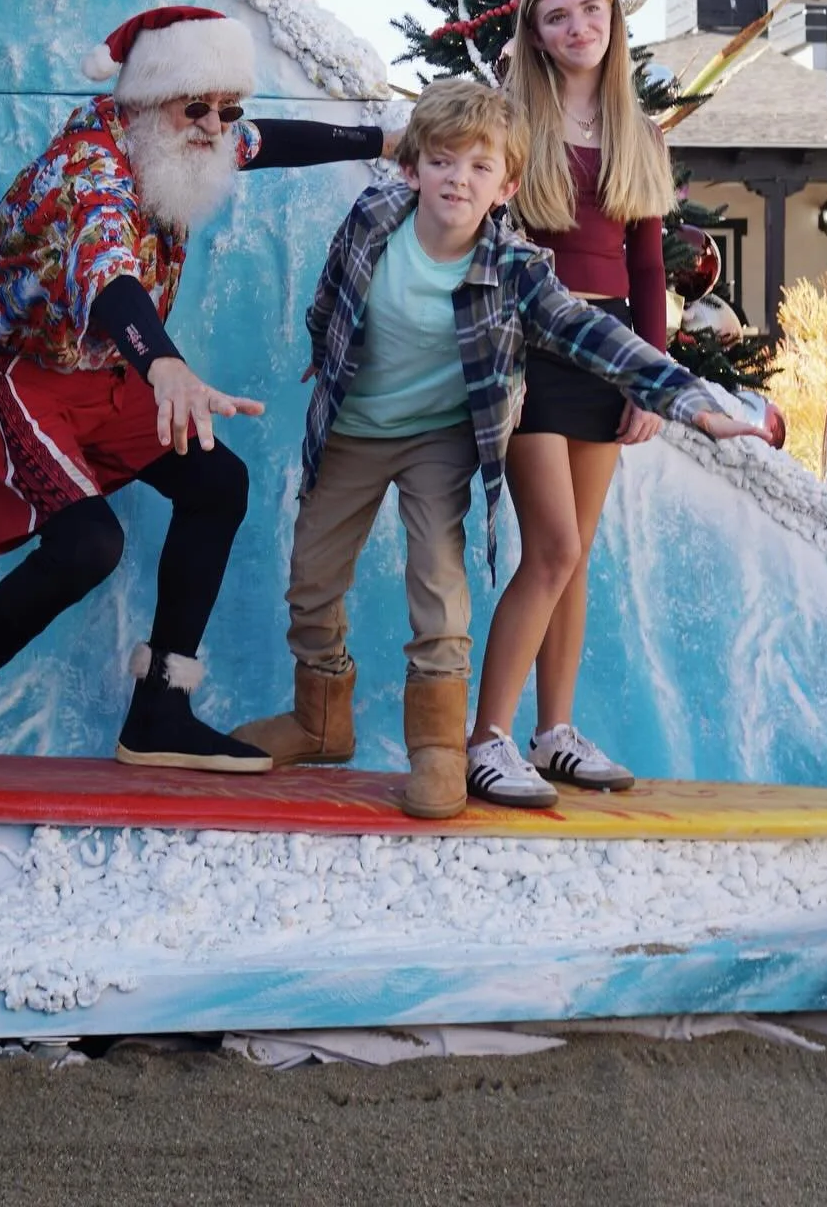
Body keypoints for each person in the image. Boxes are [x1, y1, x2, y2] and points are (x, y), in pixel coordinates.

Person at [236, 76, 777, 819]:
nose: (458, 179)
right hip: (355, 430)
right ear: (411, 168)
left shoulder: (517, 268)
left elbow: (594, 335)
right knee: (311, 581)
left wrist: (689, 402)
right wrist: (323, 345)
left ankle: (439, 750)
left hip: (436, 438)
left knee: (439, 588)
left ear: (507, 187)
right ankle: (321, 718)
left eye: (480, 167)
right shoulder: (373, 219)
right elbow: (334, 289)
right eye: (442, 161)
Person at [0, 5, 395, 783]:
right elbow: (108, 274)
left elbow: (272, 141)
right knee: (88, 545)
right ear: (149, 101)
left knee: (217, 482)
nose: (215, 127)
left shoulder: (189, 135)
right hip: (12, 369)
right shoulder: (89, 172)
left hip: (102, 366)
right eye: (197, 108)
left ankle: (160, 711)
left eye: (228, 109)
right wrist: (164, 363)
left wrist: (386, 142)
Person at [466, 0, 782, 809]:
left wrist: (650, 378)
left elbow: (647, 269)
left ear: (613, 22)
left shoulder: (638, 131)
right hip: (529, 343)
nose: (578, 27)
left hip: (610, 355)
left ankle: (554, 733)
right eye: (558, 16)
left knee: (576, 555)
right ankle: (486, 740)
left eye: (591, 11)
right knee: (553, 548)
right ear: (535, 33)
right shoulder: (511, 123)